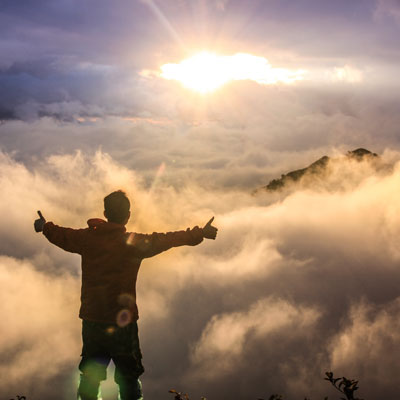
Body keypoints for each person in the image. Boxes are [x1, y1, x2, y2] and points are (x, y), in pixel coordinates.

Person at [34, 190, 218, 400]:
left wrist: (44, 226)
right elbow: (167, 239)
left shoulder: (87, 239)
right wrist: (199, 233)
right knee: (129, 377)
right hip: (123, 322)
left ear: (105, 212)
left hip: (93, 320)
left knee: (90, 376)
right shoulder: (132, 243)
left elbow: (62, 235)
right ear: (128, 215)